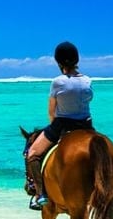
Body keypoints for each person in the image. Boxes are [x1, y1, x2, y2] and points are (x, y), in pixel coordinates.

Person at [24, 41, 93, 210]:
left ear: (58, 62)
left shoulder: (57, 82)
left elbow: (51, 112)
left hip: (62, 124)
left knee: (32, 154)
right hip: (86, 125)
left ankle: (40, 195)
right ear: (77, 59)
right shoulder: (87, 80)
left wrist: (53, 128)